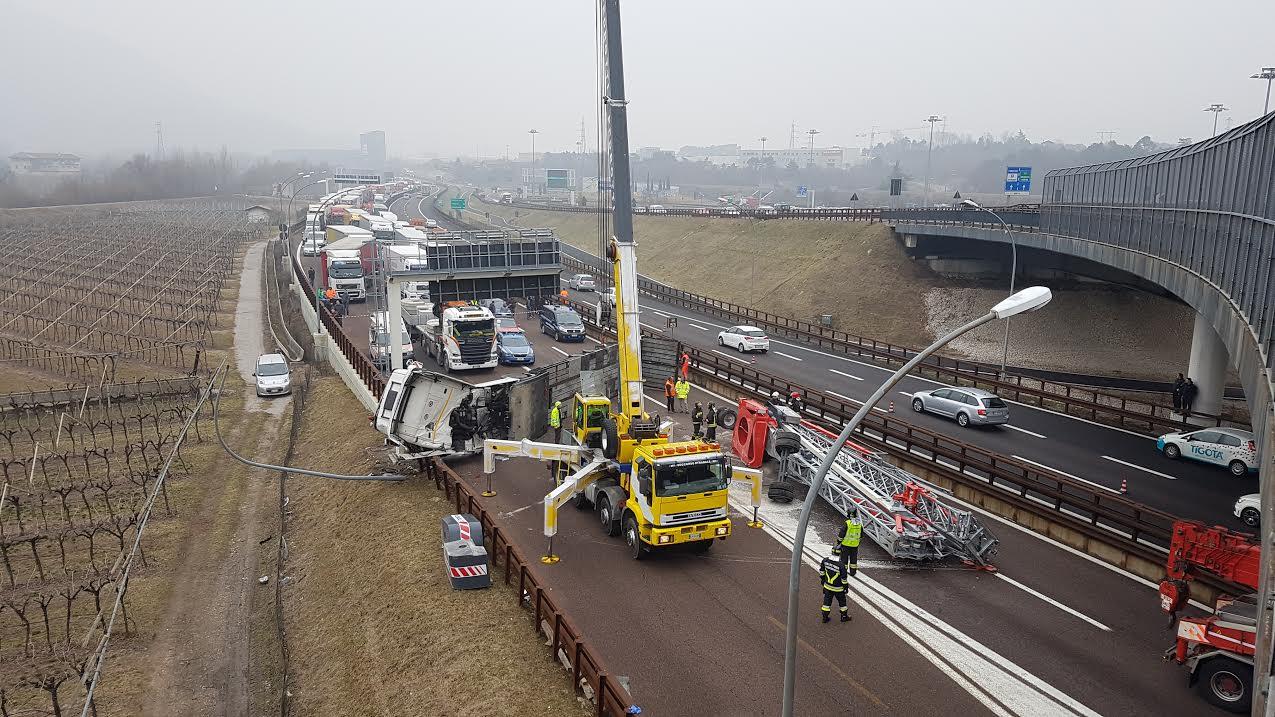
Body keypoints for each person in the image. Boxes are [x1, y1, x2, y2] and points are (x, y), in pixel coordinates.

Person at [819, 546, 851, 623]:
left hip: (827, 586)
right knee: (842, 603)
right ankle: (844, 616)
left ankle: (825, 618)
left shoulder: (825, 560)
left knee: (826, 603)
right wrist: (846, 587)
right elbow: (844, 579)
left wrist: (823, 581)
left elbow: (822, 572)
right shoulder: (841, 565)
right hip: (838, 588)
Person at [836, 507, 863, 574]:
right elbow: (861, 536)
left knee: (844, 559)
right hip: (855, 545)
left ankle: (843, 572)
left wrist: (838, 542)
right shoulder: (859, 524)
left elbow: (841, 534)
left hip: (845, 545)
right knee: (853, 559)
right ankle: (853, 572)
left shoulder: (847, 523)